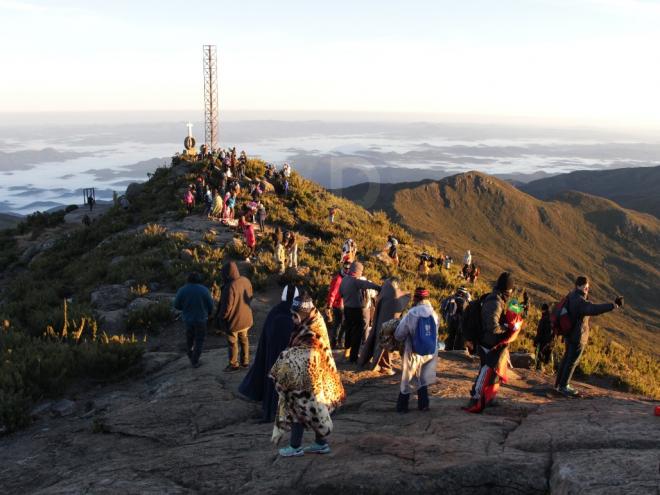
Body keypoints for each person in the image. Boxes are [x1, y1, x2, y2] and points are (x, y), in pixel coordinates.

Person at [270, 294, 346, 457]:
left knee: (299, 406)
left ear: (302, 314)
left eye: (294, 315)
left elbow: (308, 354)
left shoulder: (311, 331)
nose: (292, 318)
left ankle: (295, 447)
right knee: (317, 408)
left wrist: (286, 360)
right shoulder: (312, 319)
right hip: (320, 374)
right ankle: (320, 444)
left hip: (313, 375)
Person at [239, 284, 299, 422]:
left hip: (273, 355)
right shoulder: (299, 312)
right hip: (292, 357)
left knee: (273, 382)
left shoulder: (275, 312)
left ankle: (269, 412)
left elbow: (265, 336)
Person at [464, 272, 522, 413]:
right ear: (508, 289)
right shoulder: (495, 302)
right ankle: (476, 398)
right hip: (488, 343)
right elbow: (492, 326)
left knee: (492, 372)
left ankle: (487, 397)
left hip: (492, 342)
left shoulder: (498, 299)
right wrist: (507, 328)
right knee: (486, 370)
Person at [554, 276, 623, 397]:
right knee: (572, 361)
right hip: (577, 335)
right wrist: (613, 305)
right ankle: (564, 386)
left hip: (569, 334)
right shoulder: (579, 300)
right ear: (578, 286)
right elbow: (593, 309)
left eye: (587, 285)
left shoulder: (571, 295)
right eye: (584, 285)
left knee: (566, 359)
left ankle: (559, 384)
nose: (586, 287)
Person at [394, 288, 439, 412]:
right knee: (423, 378)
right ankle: (424, 405)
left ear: (416, 298)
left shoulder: (412, 313)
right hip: (429, 351)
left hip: (412, 350)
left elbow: (399, 334)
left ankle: (402, 407)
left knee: (407, 378)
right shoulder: (434, 314)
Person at [359, 277, 410, 375]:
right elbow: (400, 303)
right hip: (387, 327)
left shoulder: (384, 293)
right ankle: (385, 367)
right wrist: (407, 295)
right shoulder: (394, 295)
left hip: (379, 324)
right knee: (385, 345)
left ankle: (379, 364)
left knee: (379, 343)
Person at [214, 261, 254, 372]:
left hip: (234, 322)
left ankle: (233, 364)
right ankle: (245, 362)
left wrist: (221, 318)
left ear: (226, 274)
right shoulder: (246, 280)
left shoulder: (229, 287)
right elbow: (250, 297)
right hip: (246, 319)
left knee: (232, 342)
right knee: (244, 339)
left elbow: (227, 308)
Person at [339, 261, 381, 363]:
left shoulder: (344, 280)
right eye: (361, 271)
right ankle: (353, 357)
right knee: (357, 334)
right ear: (358, 271)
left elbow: (341, 294)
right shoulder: (356, 281)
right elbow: (368, 284)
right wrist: (380, 288)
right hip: (357, 310)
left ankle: (346, 353)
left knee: (348, 331)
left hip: (347, 309)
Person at [173, 272, 215, 368]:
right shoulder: (204, 290)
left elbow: (176, 305)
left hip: (188, 319)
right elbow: (210, 306)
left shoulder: (182, 290)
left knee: (190, 338)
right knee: (199, 340)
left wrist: (184, 308)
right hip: (201, 319)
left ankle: (190, 353)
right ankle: (195, 360)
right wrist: (208, 313)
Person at [325, 261, 351, 348]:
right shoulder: (338, 279)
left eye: (349, 268)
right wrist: (329, 306)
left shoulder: (345, 278)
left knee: (340, 324)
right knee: (338, 324)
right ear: (343, 267)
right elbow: (332, 293)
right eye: (346, 268)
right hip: (338, 306)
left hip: (343, 305)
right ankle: (335, 342)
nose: (347, 270)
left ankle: (337, 341)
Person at [534, 303, 553, 371]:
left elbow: (540, 331)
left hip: (543, 340)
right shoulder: (552, 317)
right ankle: (547, 368)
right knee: (547, 354)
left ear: (543, 310)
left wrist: (536, 340)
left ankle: (539, 367)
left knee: (539, 352)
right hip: (550, 340)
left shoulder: (543, 319)